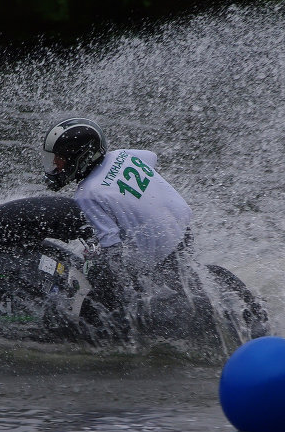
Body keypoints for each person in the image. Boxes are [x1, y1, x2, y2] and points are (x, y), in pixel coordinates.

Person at [41, 118, 195, 317]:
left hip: (162, 258)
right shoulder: (122, 155)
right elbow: (151, 157)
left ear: (79, 158)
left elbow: (112, 248)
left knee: (101, 286)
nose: (54, 164)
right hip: (183, 232)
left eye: (59, 159)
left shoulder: (86, 194)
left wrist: (99, 274)